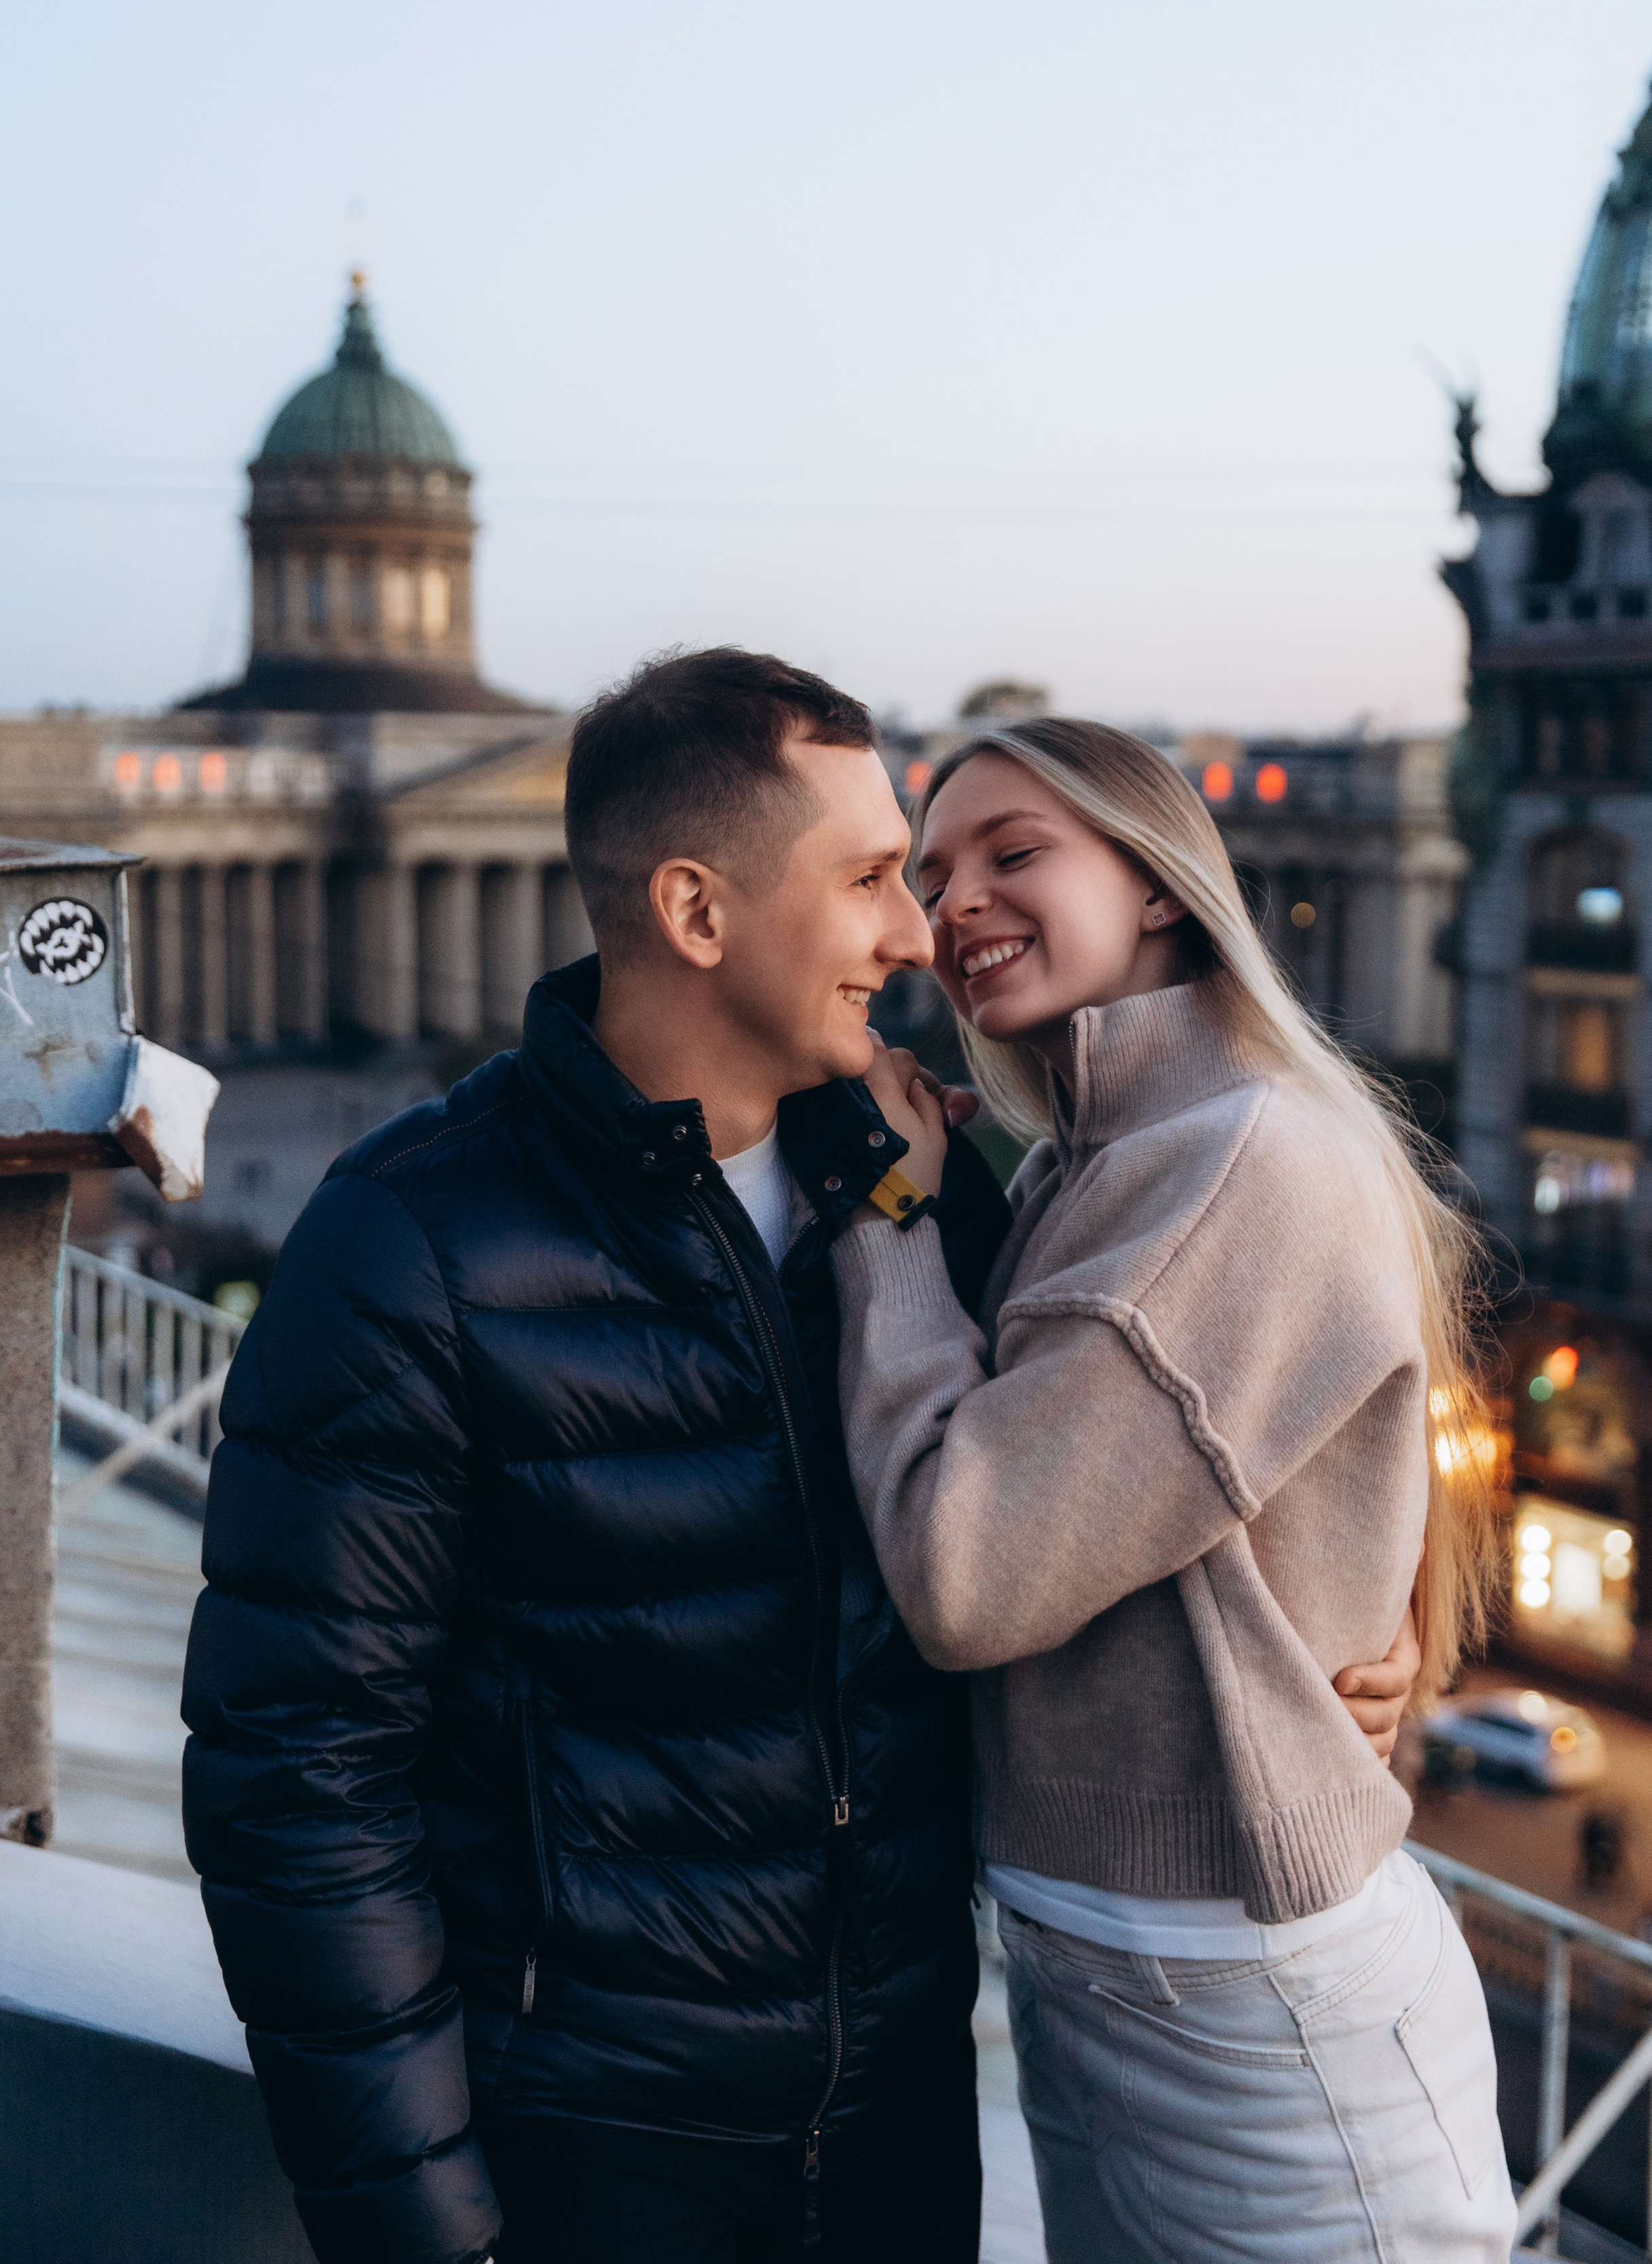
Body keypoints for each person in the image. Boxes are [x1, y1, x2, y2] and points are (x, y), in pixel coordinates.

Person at [181, 653, 1420, 2264]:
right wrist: (422, 2229)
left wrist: (1374, 1632)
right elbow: (301, 1780)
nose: (920, 936)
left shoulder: (935, 1198)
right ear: (697, 914)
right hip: (598, 2158)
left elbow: (1131, 1497)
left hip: (903, 2126)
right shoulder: (406, 1240)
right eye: (870, 879)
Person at [832, 716, 1513, 2264]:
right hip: (1115, 1961)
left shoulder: (1230, 1152)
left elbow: (966, 1572)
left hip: (1244, 1992)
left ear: (1156, 887)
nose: (955, 905)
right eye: (929, 874)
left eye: (1016, 853)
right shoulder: (1093, 1152)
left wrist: (878, 1213)